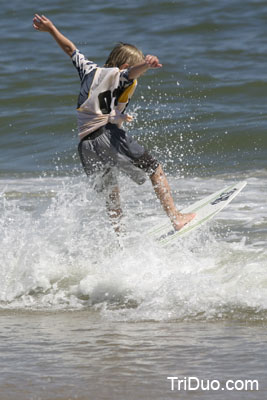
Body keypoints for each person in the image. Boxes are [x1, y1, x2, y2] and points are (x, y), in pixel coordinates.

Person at [33, 14, 195, 234]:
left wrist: (51, 29)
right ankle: (175, 217)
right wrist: (145, 65)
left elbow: (70, 49)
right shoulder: (119, 75)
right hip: (106, 136)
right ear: (125, 65)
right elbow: (129, 74)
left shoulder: (89, 70)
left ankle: (121, 237)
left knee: (111, 192)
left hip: (85, 145)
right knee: (155, 169)